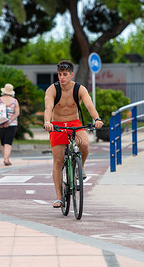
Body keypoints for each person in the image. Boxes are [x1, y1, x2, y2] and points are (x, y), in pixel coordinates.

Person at [43, 60, 103, 208]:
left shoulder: (79, 89)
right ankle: (59, 198)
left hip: (74, 123)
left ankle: (79, 168)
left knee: (85, 145)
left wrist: (97, 118)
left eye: (64, 74)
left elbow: (89, 104)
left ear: (71, 74)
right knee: (58, 161)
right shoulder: (52, 89)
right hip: (56, 125)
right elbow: (48, 107)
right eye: (59, 74)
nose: (61, 77)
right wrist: (47, 122)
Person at [0, 84, 19, 166]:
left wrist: (3, 121)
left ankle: (5, 158)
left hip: (1, 124)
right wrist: (9, 121)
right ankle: (6, 159)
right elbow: (17, 113)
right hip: (12, 124)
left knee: (3, 141)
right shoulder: (14, 101)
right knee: (8, 142)